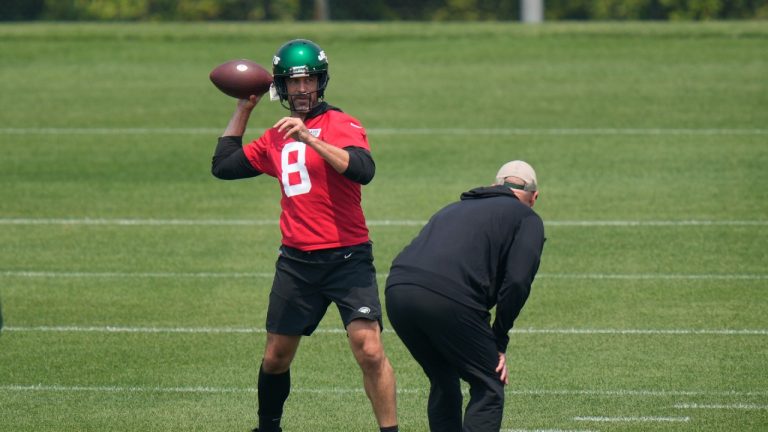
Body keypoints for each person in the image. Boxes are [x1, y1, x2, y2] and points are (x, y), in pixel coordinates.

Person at [211, 39, 398, 432]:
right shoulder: (276, 135)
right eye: (292, 83)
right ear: (279, 86)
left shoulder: (340, 123)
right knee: (276, 356)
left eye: (307, 81)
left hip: (348, 258)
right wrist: (244, 107)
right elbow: (224, 165)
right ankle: (267, 427)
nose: (300, 90)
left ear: (321, 81)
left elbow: (364, 168)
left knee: (370, 349)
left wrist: (310, 138)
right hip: (297, 262)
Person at [385, 160, 546, 432]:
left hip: (398, 291)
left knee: (443, 378)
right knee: (488, 383)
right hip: (447, 298)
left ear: (495, 185)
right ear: (534, 197)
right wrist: (499, 338)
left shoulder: (454, 207)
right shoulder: (527, 217)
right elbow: (517, 282)